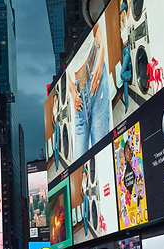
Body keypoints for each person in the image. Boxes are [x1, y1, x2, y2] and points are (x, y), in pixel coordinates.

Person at [68, 21, 110, 160]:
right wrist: (72, 92)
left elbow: (96, 26)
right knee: (78, 160)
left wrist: (102, 51)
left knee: (102, 150)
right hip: (78, 93)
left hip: (94, 72)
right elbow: (67, 70)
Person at [119, 0, 132, 113]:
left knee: (122, 74)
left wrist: (127, 3)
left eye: (122, 11)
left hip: (127, 49)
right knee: (124, 83)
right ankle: (127, 105)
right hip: (124, 50)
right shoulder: (122, 24)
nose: (121, 14)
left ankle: (132, 74)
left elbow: (129, 3)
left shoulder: (126, 19)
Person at [52, 89, 61, 171]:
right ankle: (56, 164)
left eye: (55, 97)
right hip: (56, 126)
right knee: (55, 147)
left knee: (57, 146)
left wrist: (57, 92)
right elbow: (52, 118)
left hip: (58, 124)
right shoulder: (53, 107)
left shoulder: (58, 103)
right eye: (54, 97)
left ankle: (57, 165)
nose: (55, 98)